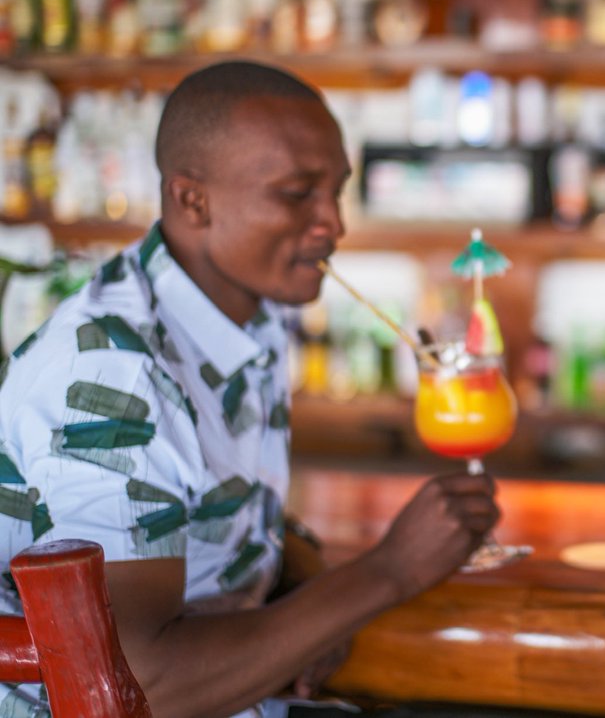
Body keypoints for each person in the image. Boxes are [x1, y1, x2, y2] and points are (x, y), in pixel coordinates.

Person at [0, 62, 499, 718]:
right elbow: (136, 683)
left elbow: (215, 504)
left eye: (337, 192)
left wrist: (303, 587)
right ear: (192, 201)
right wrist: (387, 572)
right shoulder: (114, 373)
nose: (334, 225)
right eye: (298, 194)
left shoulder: (242, 316)